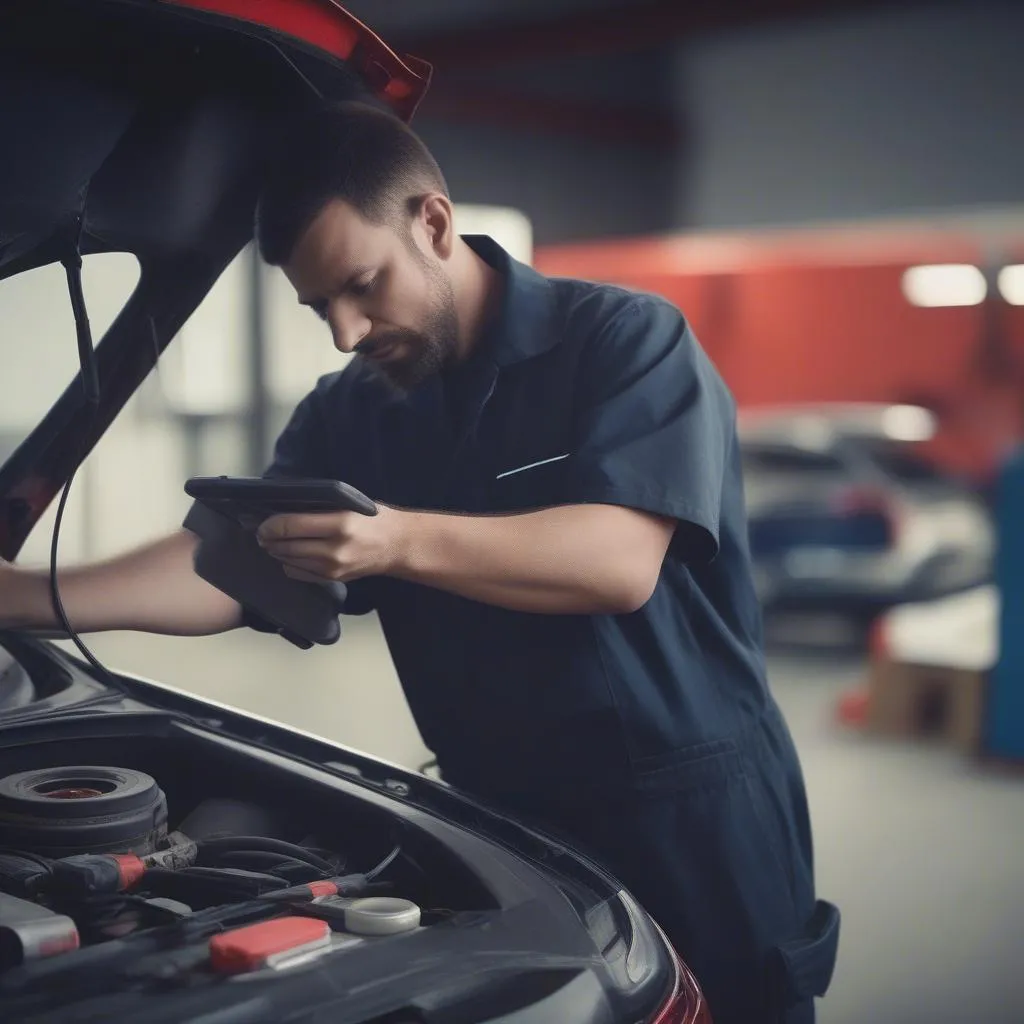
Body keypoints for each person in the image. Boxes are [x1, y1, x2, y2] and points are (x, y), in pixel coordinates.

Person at [0, 102, 838, 1022]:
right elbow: (222, 563)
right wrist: (20, 598)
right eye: (321, 306)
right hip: (501, 820)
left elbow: (616, 561)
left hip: (689, 819)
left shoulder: (625, 343)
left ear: (432, 223)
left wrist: (395, 539)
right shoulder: (350, 411)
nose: (347, 332)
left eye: (363, 285)